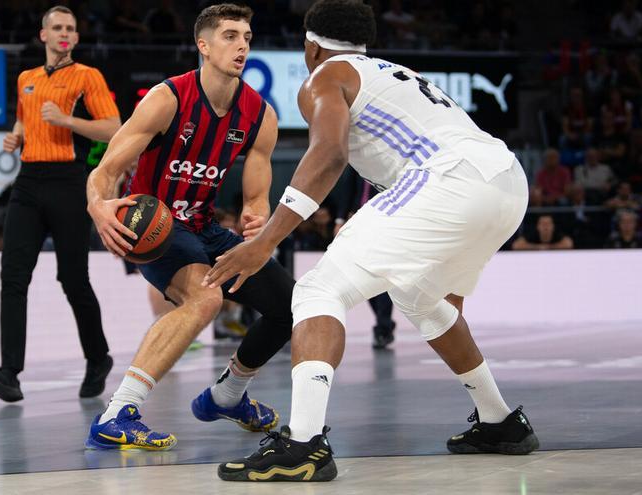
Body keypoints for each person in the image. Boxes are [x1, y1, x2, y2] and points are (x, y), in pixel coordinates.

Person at [205, 0, 538, 482]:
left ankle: (303, 444)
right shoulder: (396, 72)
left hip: (448, 179)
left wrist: (265, 242)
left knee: (319, 291)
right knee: (424, 300)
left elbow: (329, 153)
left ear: (310, 44)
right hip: (506, 180)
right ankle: (500, 422)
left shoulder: (325, 75)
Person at [83, 3, 295, 451]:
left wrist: (256, 217)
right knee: (206, 297)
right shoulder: (168, 98)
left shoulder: (260, 115)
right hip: (152, 224)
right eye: (231, 36)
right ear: (203, 45)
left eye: (247, 37)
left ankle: (228, 394)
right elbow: (105, 171)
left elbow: (257, 195)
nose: (242, 45)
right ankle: (118, 412)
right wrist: (99, 207)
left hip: (204, 226)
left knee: (291, 308)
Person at [0, 6, 121, 403]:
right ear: (43, 35)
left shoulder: (87, 76)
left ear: (75, 38)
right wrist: (17, 135)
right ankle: (9, 373)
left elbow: (113, 128)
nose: (64, 34)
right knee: (13, 276)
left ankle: (98, 357)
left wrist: (67, 121)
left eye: (70, 29)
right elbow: (25, 118)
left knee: (72, 279)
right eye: (57, 28)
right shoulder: (26, 78)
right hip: (27, 182)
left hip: (69, 182)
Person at [338, 168, 396, 349]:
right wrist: (339, 219)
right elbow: (347, 190)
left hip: (385, 219)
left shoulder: (388, 161)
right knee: (363, 276)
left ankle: (383, 326)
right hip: (358, 218)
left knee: (382, 275)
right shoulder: (356, 161)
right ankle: (384, 323)